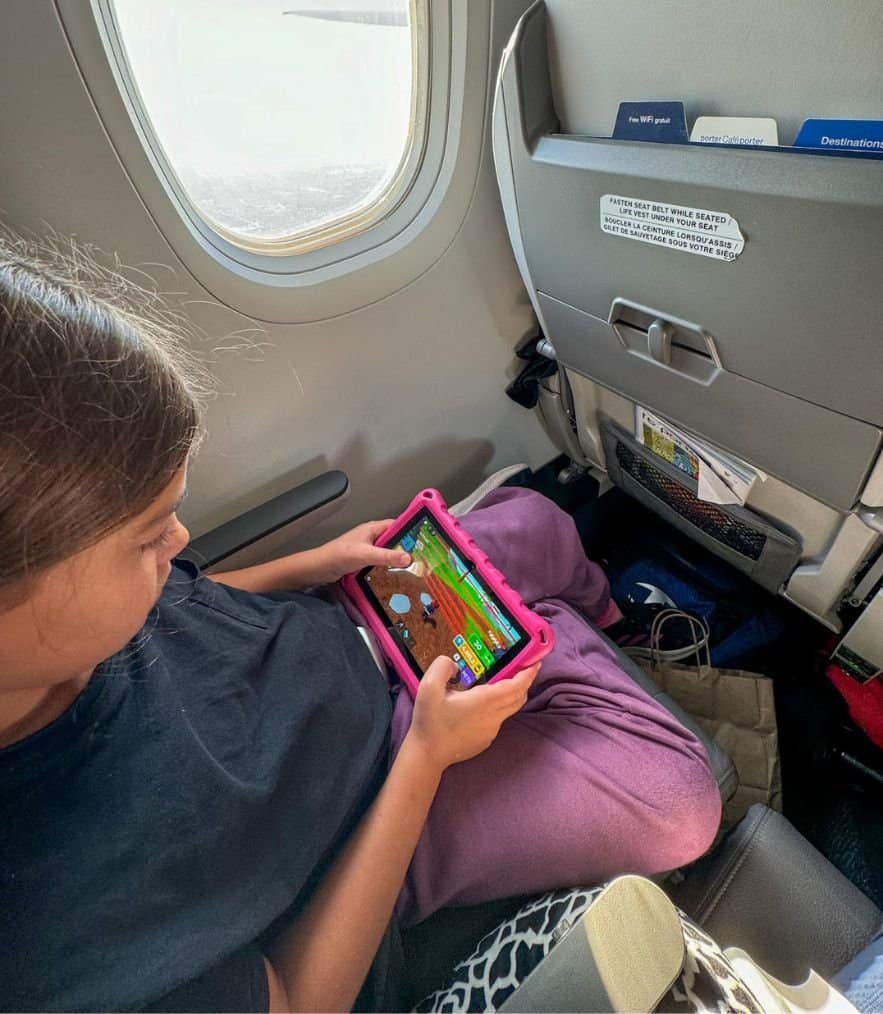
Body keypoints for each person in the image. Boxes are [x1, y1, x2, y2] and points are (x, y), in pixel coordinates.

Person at [0, 238, 721, 1012]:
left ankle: (564, 634)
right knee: (679, 803)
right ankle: (546, 637)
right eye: (147, 536)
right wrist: (425, 756)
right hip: (366, 811)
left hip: (342, 633)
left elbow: (188, 595)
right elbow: (301, 998)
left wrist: (316, 563)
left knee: (539, 518)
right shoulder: (50, 933)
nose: (178, 544)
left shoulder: (70, 624)